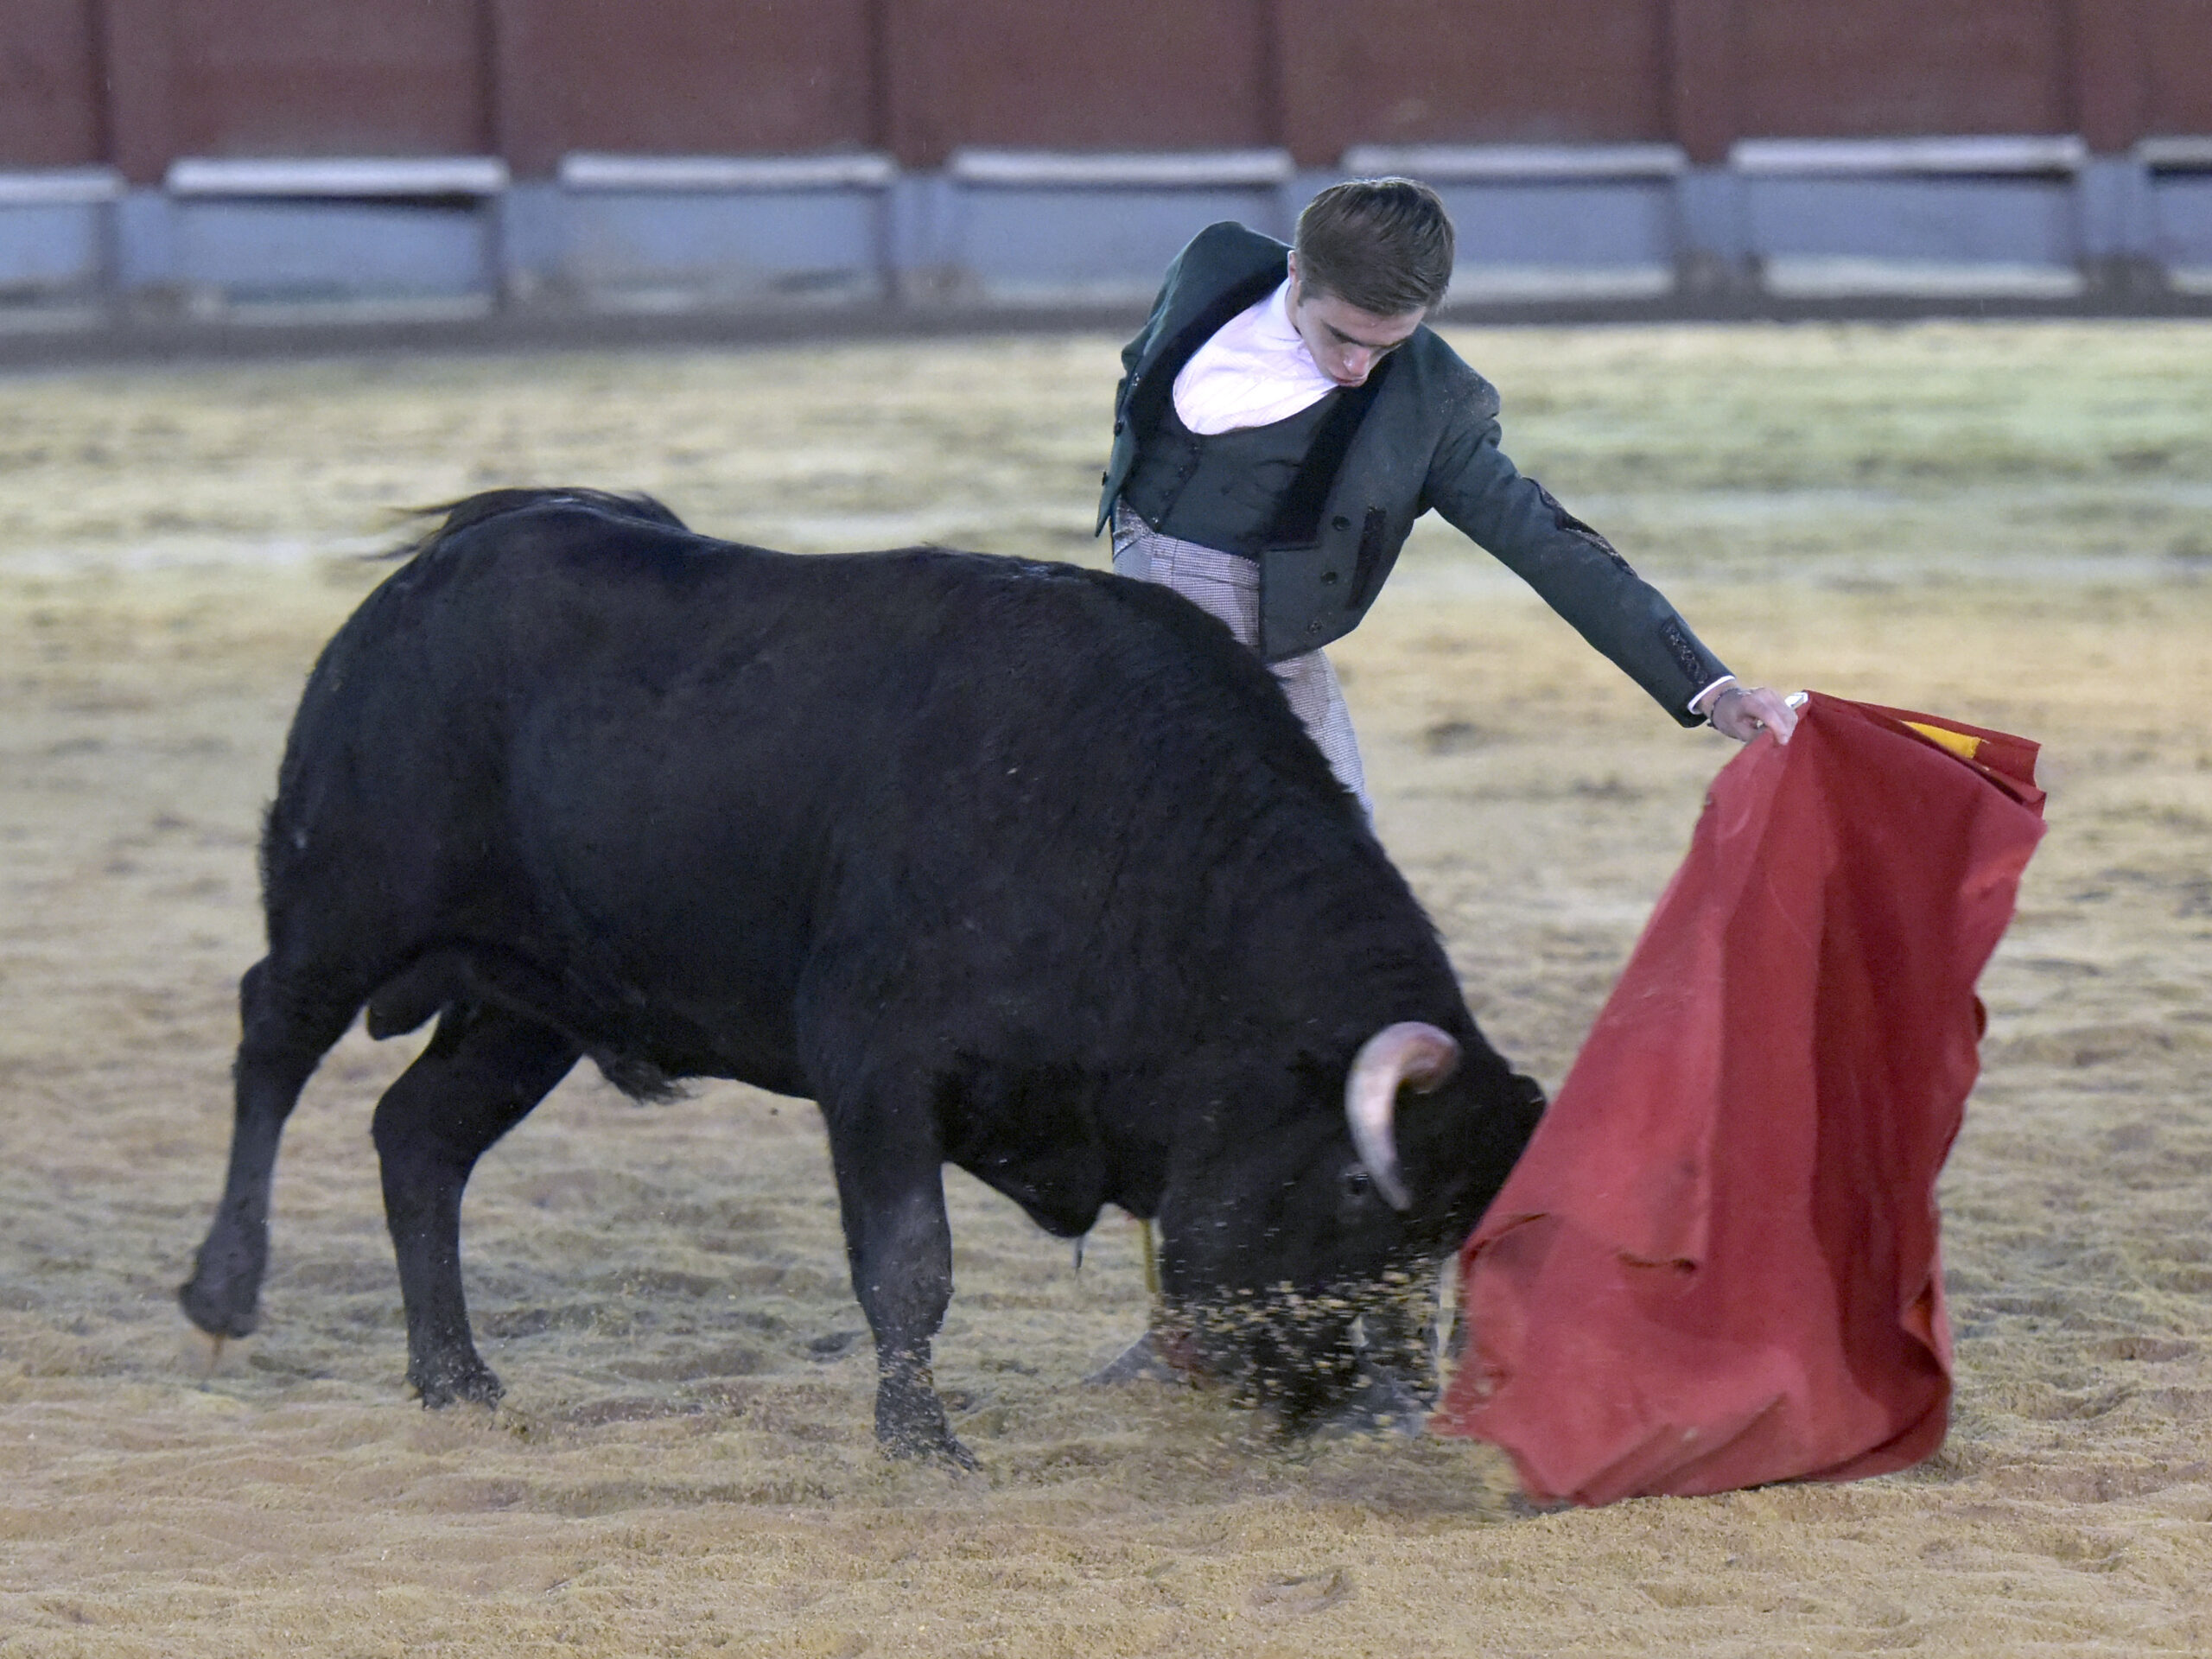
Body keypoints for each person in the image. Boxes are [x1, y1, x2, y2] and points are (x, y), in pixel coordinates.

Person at [1099, 178, 1796, 814]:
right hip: (1127, 593)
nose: (1355, 368)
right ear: (1296, 272)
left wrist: (1711, 689)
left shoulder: (1433, 405)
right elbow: (1144, 363)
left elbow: (1547, 544)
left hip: (1261, 629)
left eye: (1385, 346)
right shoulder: (1215, 263)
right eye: (1341, 336)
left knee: (1333, 851)